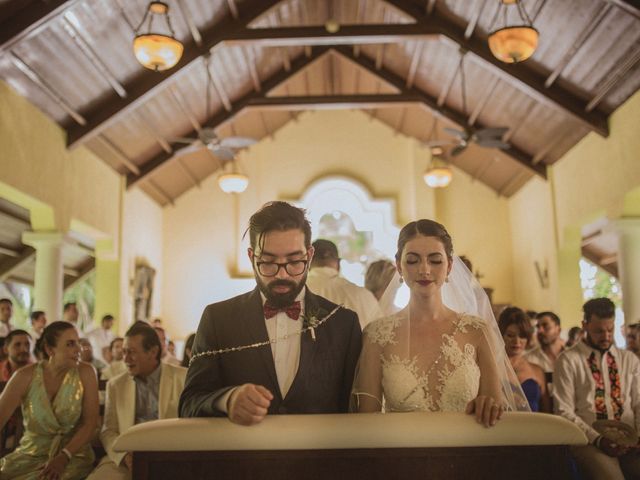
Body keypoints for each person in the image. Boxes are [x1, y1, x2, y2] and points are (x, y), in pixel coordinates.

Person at [179, 201, 361, 425]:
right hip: (242, 458)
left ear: (310, 255)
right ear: (251, 257)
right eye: (267, 262)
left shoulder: (343, 324)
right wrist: (227, 400)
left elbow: (352, 414)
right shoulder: (217, 319)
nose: (281, 274)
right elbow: (188, 404)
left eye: (295, 261)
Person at [352, 219, 528, 425]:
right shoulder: (377, 335)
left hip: (467, 450)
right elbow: (367, 422)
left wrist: (488, 406)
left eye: (435, 260)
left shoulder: (477, 331)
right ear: (399, 266)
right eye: (413, 260)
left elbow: (495, 411)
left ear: (450, 266)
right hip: (401, 453)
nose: (424, 269)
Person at [554, 298, 640, 480]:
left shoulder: (629, 359)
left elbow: (639, 402)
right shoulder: (568, 360)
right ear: (584, 325)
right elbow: (563, 410)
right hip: (588, 441)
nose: (606, 336)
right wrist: (598, 439)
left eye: (610, 330)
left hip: (631, 440)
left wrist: (638, 436)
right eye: (599, 331)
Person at [0, 321, 98, 479]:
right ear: (50, 349)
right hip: (30, 455)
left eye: (78, 342)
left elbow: (90, 423)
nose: (79, 349)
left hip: (72, 456)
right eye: (70, 344)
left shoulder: (86, 372)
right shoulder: (24, 376)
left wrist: (64, 456)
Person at [88, 323, 186, 480]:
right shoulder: (116, 385)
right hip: (126, 457)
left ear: (153, 352)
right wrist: (124, 456)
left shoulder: (182, 379)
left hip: (171, 458)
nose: (125, 359)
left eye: (132, 352)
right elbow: (108, 431)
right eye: (124, 352)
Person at [306, 239, 383, 329]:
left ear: (307, 263)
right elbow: (380, 333)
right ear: (338, 263)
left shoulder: (297, 292)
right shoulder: (362, 295)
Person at [498, 307, 551, 412]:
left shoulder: (537, 371)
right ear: (500, 335)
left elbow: (547, 410)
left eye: (522, 336)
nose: (517, 341)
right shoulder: (491, 368)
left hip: (534, 426)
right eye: (510, 335)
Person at [526, 311, 565, 384]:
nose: (540, 331)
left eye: (545, 326)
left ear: (558, 329)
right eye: (538, 327)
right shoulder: (529, 359)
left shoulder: (573, 356)